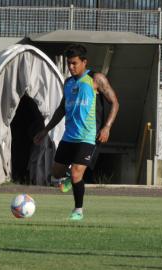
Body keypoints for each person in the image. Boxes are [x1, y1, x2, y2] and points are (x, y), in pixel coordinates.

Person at [33, 44, 119, 221]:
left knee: (76, 174)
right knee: (56, 173)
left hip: (88, 136)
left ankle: (78, 210)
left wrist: (107, 127)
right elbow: (61, 109)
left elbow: (115, 103)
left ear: (84, 62)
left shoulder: (96, 79)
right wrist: (45, 130)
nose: (71, 67)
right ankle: (66, 179)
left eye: (74, 63)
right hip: (69, 136)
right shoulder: (68, 82)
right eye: (69, 64)